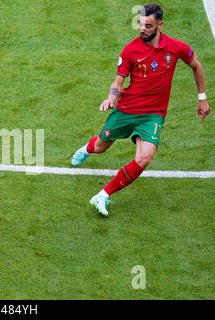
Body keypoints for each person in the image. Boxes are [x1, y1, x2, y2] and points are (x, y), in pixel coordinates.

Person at [71, 4, 211, 217]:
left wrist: (202, 98)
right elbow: (118, 81)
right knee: (100, 146)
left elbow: (197, 66)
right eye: (140, 24)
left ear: (160, 25)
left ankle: (102, 195)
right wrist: (111, 97)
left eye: (148, 25)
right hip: (127, 110)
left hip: (152, 115)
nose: (142, 29)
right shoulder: (131, 50)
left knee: (144, 158)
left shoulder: (176, 47)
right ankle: (87, 149)